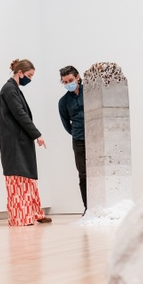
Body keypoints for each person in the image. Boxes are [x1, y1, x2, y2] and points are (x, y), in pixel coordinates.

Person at [0, 59, 52, 226]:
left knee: (28, 178)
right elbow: (19, 114)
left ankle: (34, 213)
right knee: (18, 178)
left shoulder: (13, 89)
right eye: (29, 75)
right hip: (15, 143)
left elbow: (8, 115)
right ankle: (22, 216)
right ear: (20, 72)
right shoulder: (10, 89)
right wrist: (37, 134)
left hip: (19, 140)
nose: (30, 79)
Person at [58, 65, 87, 214]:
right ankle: (88, 208)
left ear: (77, 77)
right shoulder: (63, 102)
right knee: (83, 175)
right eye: (65, 81)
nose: (68, 83)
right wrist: (77, 133)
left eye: (70, 80)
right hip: (78, 140)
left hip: (96, 139)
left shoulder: (89, 92)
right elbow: (66, 124)